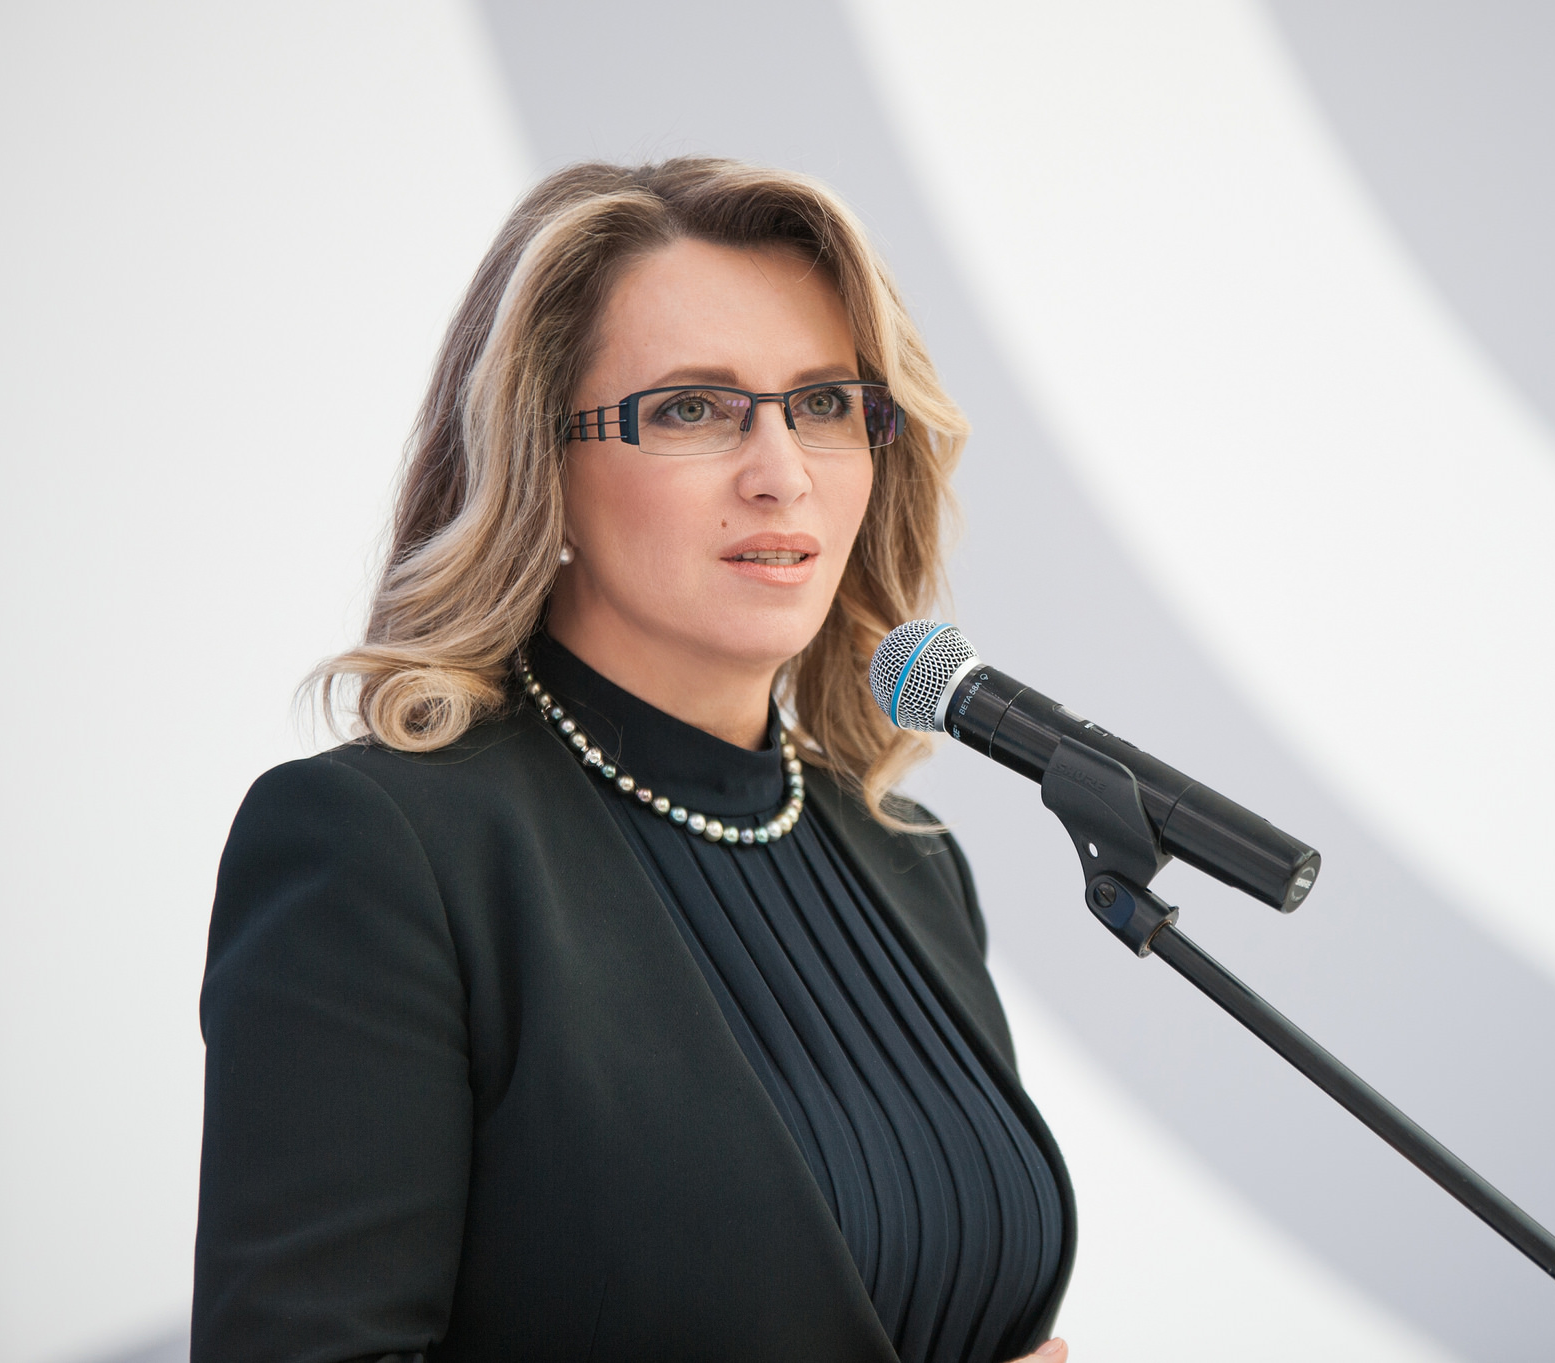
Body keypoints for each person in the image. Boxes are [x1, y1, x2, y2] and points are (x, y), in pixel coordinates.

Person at [192, 158, 1074, 1363]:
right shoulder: (382, 853)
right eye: (691, 410)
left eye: (824, 404)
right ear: (538, 462)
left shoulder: (908, 862)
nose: (781, 474)